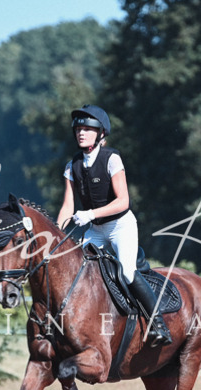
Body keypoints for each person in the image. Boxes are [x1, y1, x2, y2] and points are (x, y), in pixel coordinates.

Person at [56, 104, 172, 347]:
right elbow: (67, 207)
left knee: (127, 272)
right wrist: (55, 238)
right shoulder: (72, 166)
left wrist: (90, 213)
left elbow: (123, 201)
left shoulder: (112, 159)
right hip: (95, 230)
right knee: (77, 270)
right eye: (79, 128)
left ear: (101, 134)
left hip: (120, 226)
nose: (81, 132)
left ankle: (158, 323)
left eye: (88, 128)